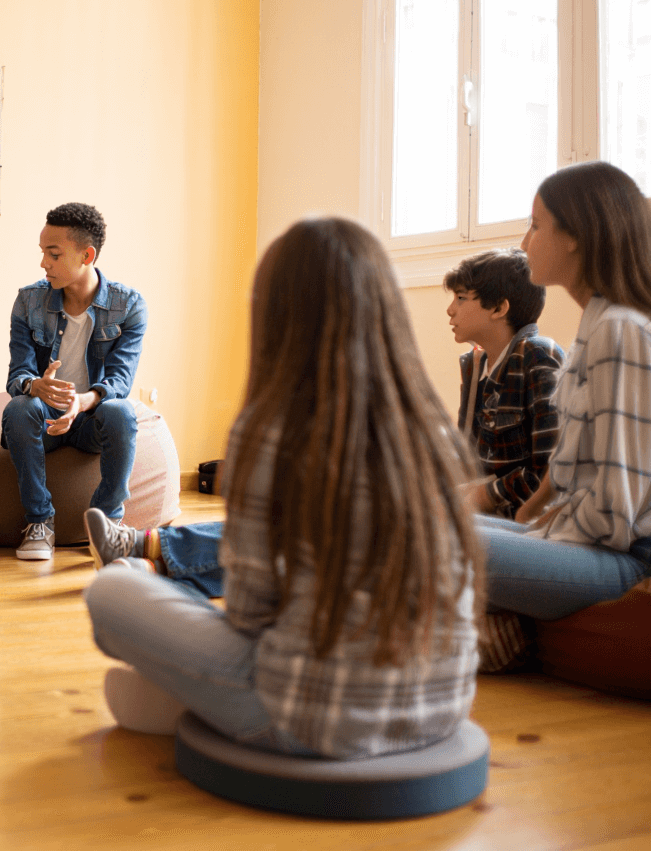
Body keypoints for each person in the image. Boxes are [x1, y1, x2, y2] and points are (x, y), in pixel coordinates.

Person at [85, 217, 482, 758]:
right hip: (442, 707)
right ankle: (167, 664)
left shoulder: (270, 429)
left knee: (111, 593)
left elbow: (250, 615)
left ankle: (170, 672)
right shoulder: (433, 428)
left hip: (306, 718)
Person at [477, 161, 651, 622]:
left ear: (575, 235)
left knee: (419, 537)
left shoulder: (620, 332)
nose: (523, 242)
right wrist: (526, 522)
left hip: (622, 558)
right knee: (419, 521)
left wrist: (538, 537)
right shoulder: (593, 328)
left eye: (536, 226)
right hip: (585, 540)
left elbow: (615, 515)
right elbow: (568, 468)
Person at [3, 203, 147, 561]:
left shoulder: (128, 306)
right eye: (42, 253)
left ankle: (107, 525)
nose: (43, 264)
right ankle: (39, 521)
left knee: (121, 413)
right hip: (44, 419)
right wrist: (34, 386)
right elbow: (17, 374)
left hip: (91, 417)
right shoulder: (28, 302)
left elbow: (120, 380)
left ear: (87, 255)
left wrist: (82, 402)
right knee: (19, 408)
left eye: (53, 254)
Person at [443, 249, 564, 518]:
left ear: (499, 308)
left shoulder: (538, 356)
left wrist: (484, 494)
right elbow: (468, 462)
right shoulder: (474, 367)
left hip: (529, 521)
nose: (450, 310)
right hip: (491, 517)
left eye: (461, 298)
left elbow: (549, 476)